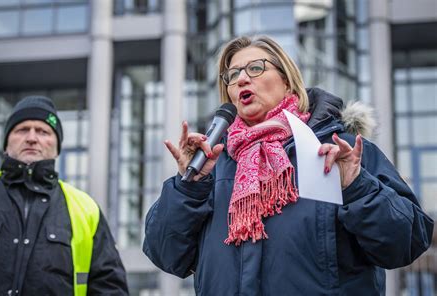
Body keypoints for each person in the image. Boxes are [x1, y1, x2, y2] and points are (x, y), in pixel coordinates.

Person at [143, 35, 434, 295]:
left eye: (255, 68)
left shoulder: (340, 150)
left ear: (287, 80)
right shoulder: (213, 165)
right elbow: (165, 254)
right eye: (232, 75)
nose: (242, 79)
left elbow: (406, 242)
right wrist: (188, 187)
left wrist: (357, 187)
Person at [0, 96, 129, 295]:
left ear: (57, 148)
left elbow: (109, 286)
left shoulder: (86, 210)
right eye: (22, 130)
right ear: (6, 144)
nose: (32, 138)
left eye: (43, 131)